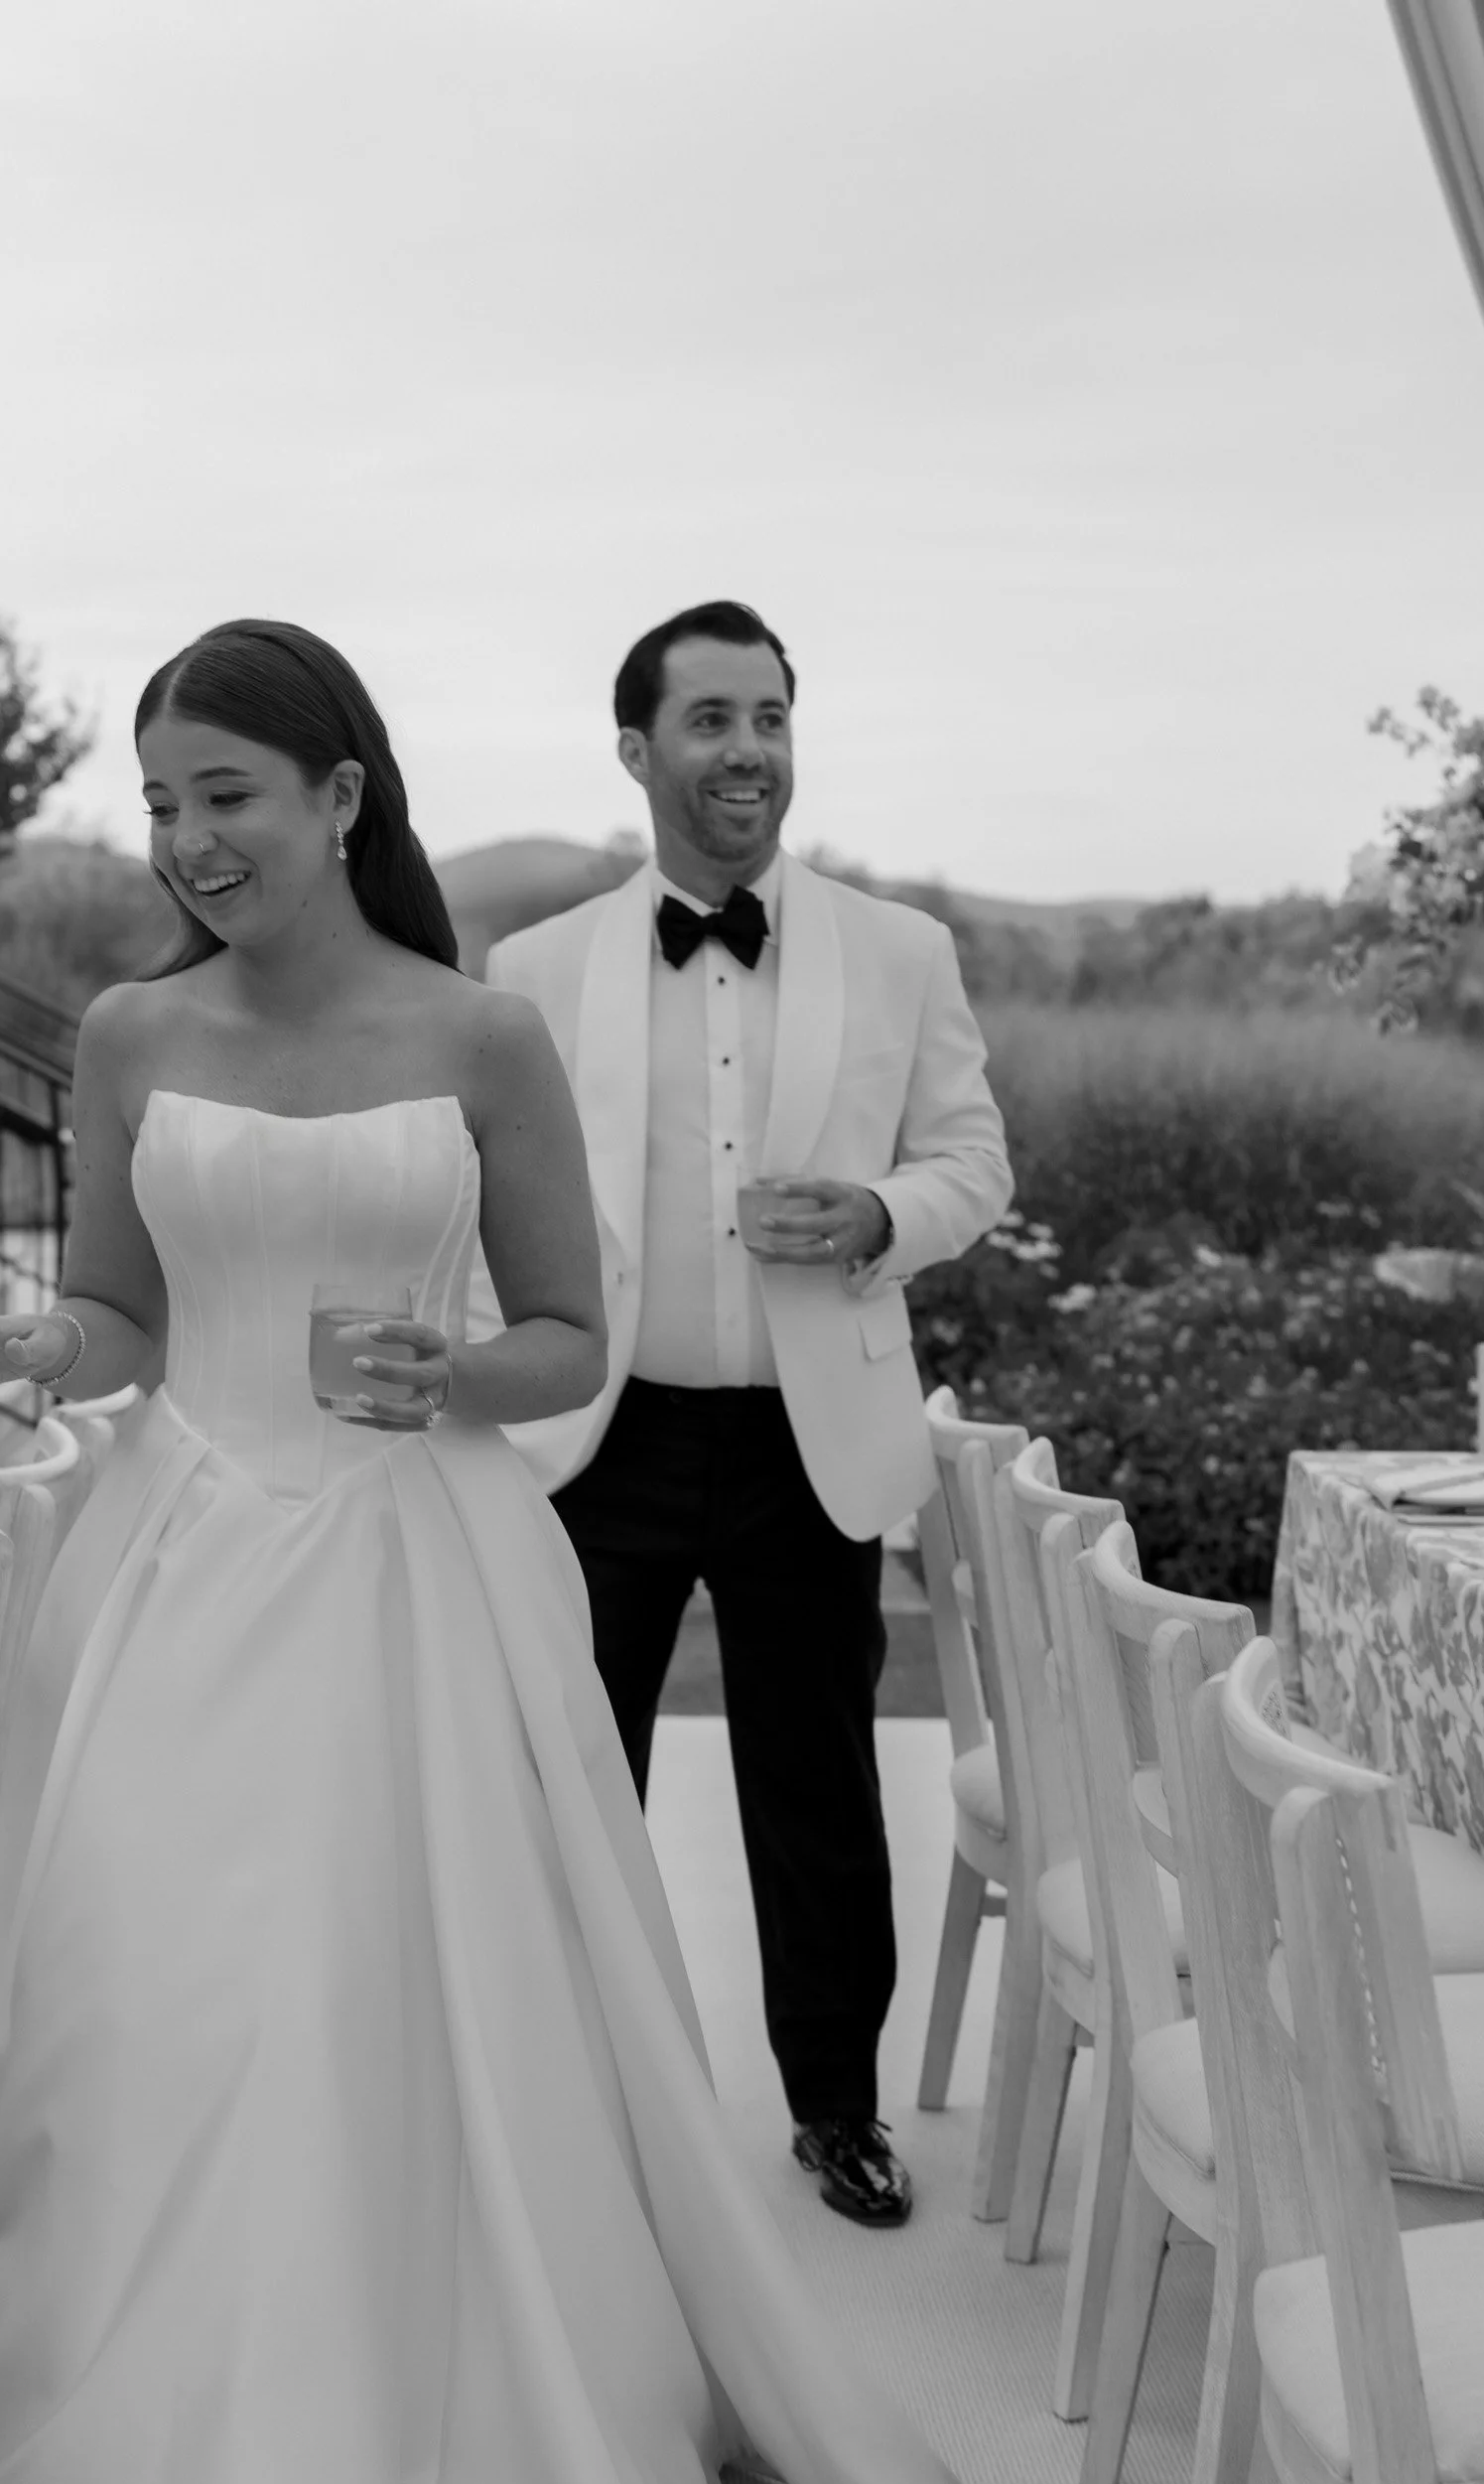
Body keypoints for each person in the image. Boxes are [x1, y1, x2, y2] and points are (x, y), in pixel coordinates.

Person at [0, 619, 1027, 2484]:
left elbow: (567, 1334)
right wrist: (30, 1339)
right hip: (180, 1579)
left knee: (396, 2022)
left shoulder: (480, 1035)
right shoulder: (121, 1032)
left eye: (230, 794)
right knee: (143, 2020)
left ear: (342, 799)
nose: (192, 841)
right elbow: (118, 1310)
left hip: (403, 1577)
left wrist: (447, 1378)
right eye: (162, 800)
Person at [482, 602, 1013, 2230]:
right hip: (600, 1440)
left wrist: (872, 1216)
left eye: (771, 717)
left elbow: (973, 1166)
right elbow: (492, 1198)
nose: (749, 752)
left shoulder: (903, 951)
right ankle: (578, 2106)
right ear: (637, 750)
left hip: (809, 1438)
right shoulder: (534, 971)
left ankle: (836, 2112)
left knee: (818, 1790)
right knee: (574, 1783)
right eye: (710, 720)